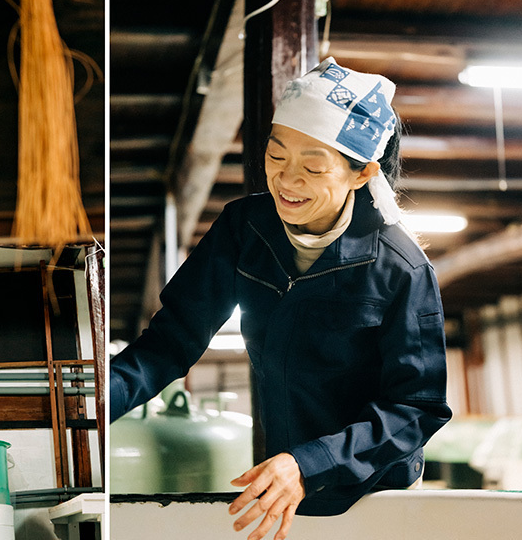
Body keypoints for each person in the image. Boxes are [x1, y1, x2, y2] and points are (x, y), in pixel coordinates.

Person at [109, 58, 452, 540]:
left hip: (375, 492)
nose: (287, 182)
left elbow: (416, 407)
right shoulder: (243, 229)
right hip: (281, 482)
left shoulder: (399, 267)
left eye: (313, 167)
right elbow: (169, 344)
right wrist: (97, 402)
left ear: (361, 173)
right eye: (275, 157)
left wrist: (310, 464)